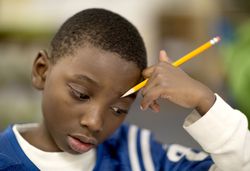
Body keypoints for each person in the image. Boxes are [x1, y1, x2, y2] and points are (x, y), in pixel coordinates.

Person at [0, 8, 249, 171]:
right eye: (81, 94)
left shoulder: (138, 154)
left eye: (118, 109)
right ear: (42, 71)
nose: (95, 122)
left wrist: (203, 100)